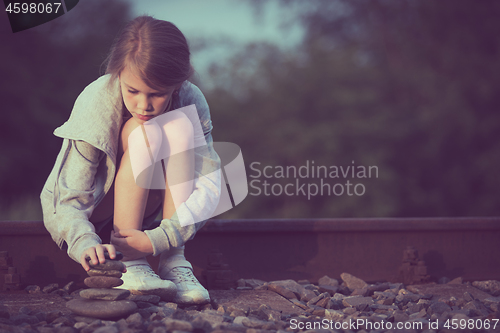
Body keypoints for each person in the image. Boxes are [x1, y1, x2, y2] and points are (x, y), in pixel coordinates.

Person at [40, 16, 221, 305]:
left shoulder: (190, 98)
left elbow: (210, 186)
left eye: (157, 94)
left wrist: (163, 240)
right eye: (132, 91)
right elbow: (65, 196)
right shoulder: (96, 100)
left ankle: (173, 263)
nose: (143, 105)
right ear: (119, 74)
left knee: (178, 125)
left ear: (178, 84)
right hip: (102, 221)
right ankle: (132, 264)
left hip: (156, 228)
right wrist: (83, 240)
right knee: (143, 131)